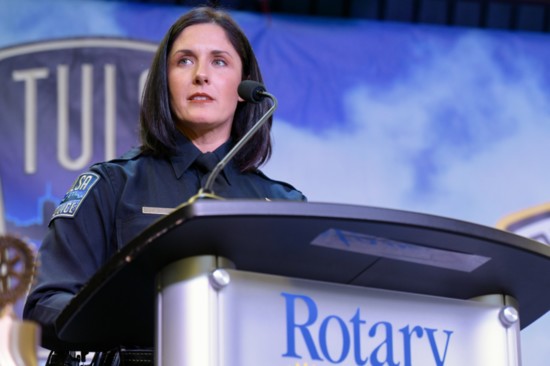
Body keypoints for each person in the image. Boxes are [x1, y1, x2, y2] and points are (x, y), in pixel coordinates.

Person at [23, 5, 306, 363]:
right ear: (164, 82)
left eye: (219, 61)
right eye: (184, 61)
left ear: (244, 87)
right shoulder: (109, 185)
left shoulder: (284, 205)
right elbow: (46, 308)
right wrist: (148, 316)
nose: (201, 75)